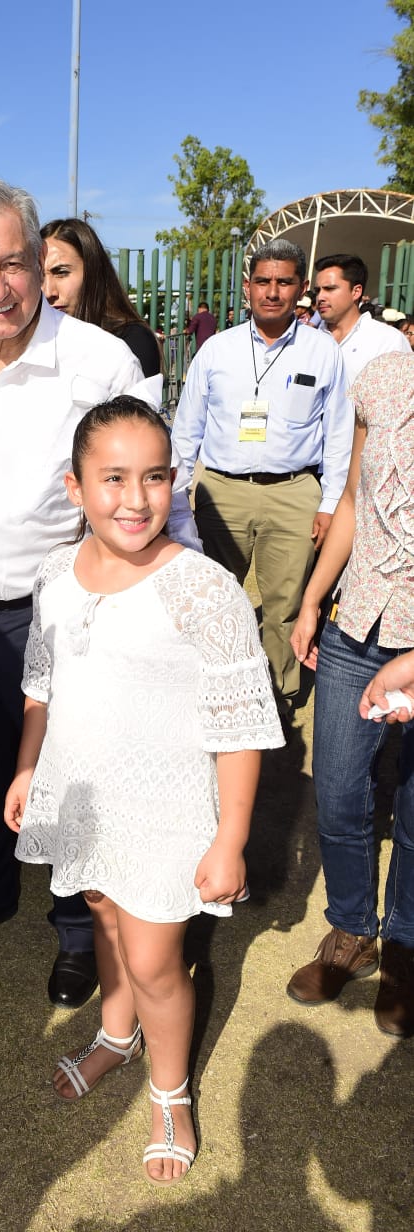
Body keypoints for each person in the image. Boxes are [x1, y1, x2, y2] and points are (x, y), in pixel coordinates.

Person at [0, 176, 199, 1011]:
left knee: (75, 774)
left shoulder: (101, 358)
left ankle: (78, 928)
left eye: (13, 263)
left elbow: (153, 481)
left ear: (37, 257)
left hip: (67, 611)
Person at [4, 397, 282, 1184]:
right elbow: (41, 686)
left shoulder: (203, 590)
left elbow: (240, 727)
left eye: (155, 477)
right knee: (102, 915)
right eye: (114, 478)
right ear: (74, 486)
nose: (135, 499)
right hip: (84, 795)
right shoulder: (55, 575)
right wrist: (27, 768)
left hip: (167, 809)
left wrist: (229, 839)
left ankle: (170, 1093)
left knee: (157, 960)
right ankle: (116, 1035)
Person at [171, 238, 353, 723]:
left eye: (284, 282)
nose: (273, 292)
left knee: (285, 603)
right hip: (221, 492)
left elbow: (338, 435)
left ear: (301, 288)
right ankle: (210, 685)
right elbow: (187, 430)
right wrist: (175, 497)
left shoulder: (323, 352)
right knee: (212, 596)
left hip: (294, 493)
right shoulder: (217, 350)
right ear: (248, 286)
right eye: (263, 281)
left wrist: (330, 504)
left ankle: (278, 698)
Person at [287, 350, 414, 1037]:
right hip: (356, 623)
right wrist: (313, 598)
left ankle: (406, 945)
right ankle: (352, 930)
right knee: (337, 790)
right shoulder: (384, 378)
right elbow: (352, 500)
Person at [40, 217, 161, 375]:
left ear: (93, 272)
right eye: (40, 275)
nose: (48, 292)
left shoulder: (131, 341)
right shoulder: (35, 343)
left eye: (62, 272)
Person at [313, 254, 409, 382]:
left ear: (356, 292)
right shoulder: (308, 339)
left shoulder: (388, 341)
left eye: (329, 289)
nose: (320, 297)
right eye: (317, 291)